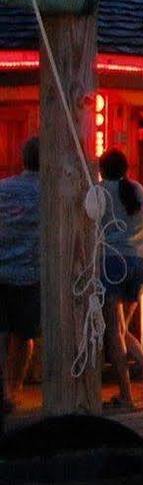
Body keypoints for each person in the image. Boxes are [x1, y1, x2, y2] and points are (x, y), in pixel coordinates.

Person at [95, 149, 143, 409]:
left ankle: (126, 395)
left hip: (112, 262)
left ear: (101, 169)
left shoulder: (100, 192)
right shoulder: (137, 190)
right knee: (122, 329)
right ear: (126, 169)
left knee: (114, 332)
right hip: (141, 262)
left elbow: (88, 223)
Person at [0, 136, 41, 415]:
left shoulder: (4, 188)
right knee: (24, 335)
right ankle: (14, 390)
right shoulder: (50, 193)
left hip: (2, 270)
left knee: (1, 335)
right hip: (31, 273)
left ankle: (2, 391)